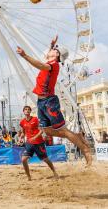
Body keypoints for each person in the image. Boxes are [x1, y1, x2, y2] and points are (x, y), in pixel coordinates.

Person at [16, 35, 92, 167]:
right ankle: (77, 136)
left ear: (57, 55)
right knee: (48, 131)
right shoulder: (51, 60)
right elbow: (47, 57)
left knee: (64, 131)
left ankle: (85, 150)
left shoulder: (54, 65)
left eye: (54, 49)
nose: (49, 51)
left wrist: (24, 55)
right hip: (40, 102)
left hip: (49, 102)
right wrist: (52, 45)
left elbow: (40, 65)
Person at [20, 106, 58, 181]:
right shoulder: (22, 122)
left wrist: (34, 137)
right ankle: (29, 177)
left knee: (46, 159)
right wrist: (21, 136)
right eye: (25, 109)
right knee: (23, 159)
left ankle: (54, 172)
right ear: (23, 112)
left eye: (28, 109)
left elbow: (41, 131)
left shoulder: (35, 119)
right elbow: (23, 132)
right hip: (29, 143)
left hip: (38, 143)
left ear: (30, 111)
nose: (27, 111)